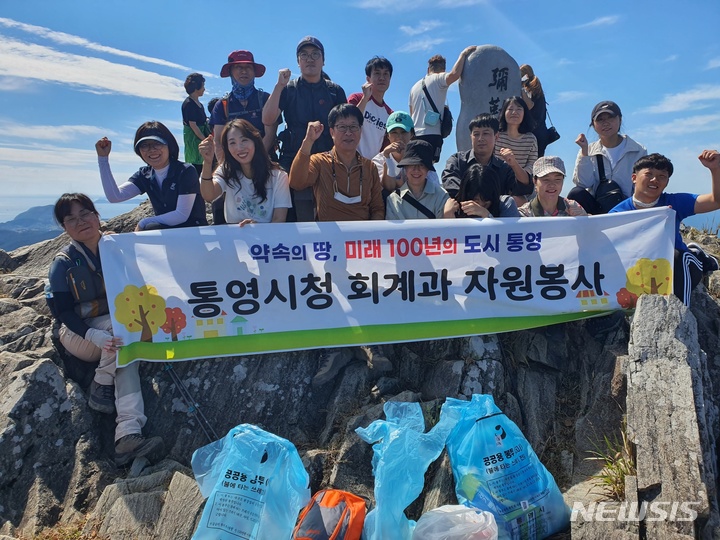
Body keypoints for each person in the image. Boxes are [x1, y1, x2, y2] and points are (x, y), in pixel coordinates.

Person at [47, 193, 163, 467]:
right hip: (79, 334)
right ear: (64, 228)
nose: (81, 221)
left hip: (114, 334)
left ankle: (127, 436)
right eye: (71, 218)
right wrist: (93, 335)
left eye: (86, 213)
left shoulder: (115, 246)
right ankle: (101, 383)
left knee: (128, 362)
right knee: (122, 330)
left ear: (97, 216)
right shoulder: (63, 263)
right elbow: (62, 313)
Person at [610, 152, 720, 306]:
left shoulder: (674, 202)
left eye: (662, 176)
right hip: (643, 270)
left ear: (667, 182)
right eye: (649, 174)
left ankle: (680, 313)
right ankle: (698, 254)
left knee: (677, 257)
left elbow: (716, 201)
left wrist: (716, 169)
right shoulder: (617, 214)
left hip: (677, 265)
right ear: (634, 178)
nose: (655, 179)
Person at [262, 36, 347, 222]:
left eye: (315, 54)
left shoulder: (335, 91)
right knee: (294, 217)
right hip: (292, 159)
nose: (310, 59)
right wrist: (278, 86)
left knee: (328, 215)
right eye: (304, 55)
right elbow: (267, 119)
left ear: (323, 61)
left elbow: (346, 128)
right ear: (298, 62)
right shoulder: (288, 89)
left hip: (327, 161)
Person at [96, 121, 207, 231]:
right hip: (165, 236)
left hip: (193, 235)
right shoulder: (145, 175)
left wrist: (143, 222)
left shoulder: (185, 171)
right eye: (144, 145)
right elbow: (115, 196)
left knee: (151, 227)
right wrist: (103, 159)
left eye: (157, 143)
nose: (152, 149)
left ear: (169, 145)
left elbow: (181, 214)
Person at [289, 103, 384, 221]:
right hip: (328, 236)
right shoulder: (319, 161)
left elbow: (377, 208)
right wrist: (308, 141)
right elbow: (296, 183)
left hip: (361, 237)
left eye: (354, 127)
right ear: (332, 132)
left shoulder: (370, 167)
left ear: (361, 131)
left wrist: (371, 232)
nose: (348, 133)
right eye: (342, 127)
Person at [197, 119, 291, 224]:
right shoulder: (226, 170)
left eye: (244, 140)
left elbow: (279, 220)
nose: (239, 147)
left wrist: (257, 229)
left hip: (266, 238)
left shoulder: (279, 176)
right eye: (232, 143)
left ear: (255, 141)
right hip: (234, 236)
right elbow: (209, 195)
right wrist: (207, 162)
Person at [569, 100, 647, 215]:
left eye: (610, 117)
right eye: (600, 119)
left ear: (620, 119)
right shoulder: (588, 150)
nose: (605, 123)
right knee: (575, 193)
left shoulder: (638, 150)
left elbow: (642, 186)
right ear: (593, 125)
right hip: (598, 208)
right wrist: (584, 153)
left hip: (627, 208)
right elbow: (583, 184)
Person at [408, 46, 477, 163]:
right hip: (432, 134)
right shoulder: (439, 78)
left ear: (428, 69)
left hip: (415, 134)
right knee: (429, 167)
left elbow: (412, 111)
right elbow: (454, 75)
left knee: (418, 166)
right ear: (443, 69)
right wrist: (463, 54)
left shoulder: (414, 87)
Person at [441, 113, 533, 200]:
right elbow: (449, 182)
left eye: (485, 133)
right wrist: (475, 200)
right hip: (464, 210)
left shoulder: (503, 167)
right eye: (476, 134)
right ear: (471, 137)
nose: (480, 138)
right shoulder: (457, 160)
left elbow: (524, 188)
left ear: (496, 137)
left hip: (494, 214)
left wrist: (514, 164)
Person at [210, 50, 275, 162]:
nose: (244, 71)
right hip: (234, 169)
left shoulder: (266, 100)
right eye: (239, 67)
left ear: (254, 71)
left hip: (265, 164)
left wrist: (255, 163)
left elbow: (270, 135)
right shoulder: (222, 105)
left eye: (248, 67)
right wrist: (225, 171)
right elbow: (218, 141)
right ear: (230, 72)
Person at [372, 110, 440, 192]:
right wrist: (387, 157)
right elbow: (387, 189)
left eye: (404, 132)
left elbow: (435, 188)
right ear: (388, 136)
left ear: (411, 134)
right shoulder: (378, 161)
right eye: (394, 132)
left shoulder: (423, 158)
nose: (399, 137)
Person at [385, 140, 451, 220]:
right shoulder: (392, 200)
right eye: (411, 165)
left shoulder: (442, 196)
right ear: (405, 168)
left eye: (422, 165)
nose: (416, 170)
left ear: (428, 169)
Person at [348, 56, 393, 159]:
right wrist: (365, 98)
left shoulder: (390, 113)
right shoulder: (356, 98)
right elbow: (348, 122)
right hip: (350, 161)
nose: (382, 78)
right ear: (368, 79)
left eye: (386, 74)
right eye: (377, 73)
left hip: (372, 168)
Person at [495, 96, 538, 204]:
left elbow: (531, 166)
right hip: (496, 182)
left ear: (525, 113)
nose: (514, 112)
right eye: (510, 109)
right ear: (504, 112)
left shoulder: (530, 138)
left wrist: (515, 165)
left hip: (521, 185)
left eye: (519, 109)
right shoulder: (496, 136)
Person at [518, 156, 587, 217]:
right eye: (546, 179)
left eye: (557, 179)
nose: (552, 185)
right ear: (535, 181)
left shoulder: (573, 206)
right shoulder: (523, 215)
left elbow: (592, 227)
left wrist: (583, 218)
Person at [446, 164, 520, 219]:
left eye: (485, 203)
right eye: (475, 202)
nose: (480, 205)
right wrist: (448, 217)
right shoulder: (453, 207)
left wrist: (486, 215)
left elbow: (509, 234)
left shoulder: (505, 203)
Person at [519, 64, 551, 157]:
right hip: (542, 131)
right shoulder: (537, 88)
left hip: (533, 132)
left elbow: (529, 105)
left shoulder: (527, 89)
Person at [181, 73, 210, 174]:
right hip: (193, 141)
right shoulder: (188, 103)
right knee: (195, 165)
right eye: (203, 86)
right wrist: (204, 139)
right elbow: (193, 125)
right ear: (197, 87)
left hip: (202, 137)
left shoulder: (200, 104)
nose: (204, 89)